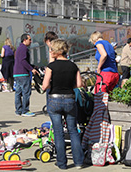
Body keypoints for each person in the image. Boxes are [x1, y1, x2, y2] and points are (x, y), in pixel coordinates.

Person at [42, 39, 84, 169]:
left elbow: (44, 86)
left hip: (54, 99)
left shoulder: (51, 67)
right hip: (70, 99)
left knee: (58, 131)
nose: (50, 51)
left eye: (52, 49)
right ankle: (78, 162)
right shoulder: (73, 66)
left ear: (57, 51)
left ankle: (62, 163)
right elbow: (79, 84)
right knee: (73, 131)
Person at [13, 33, 38, 117]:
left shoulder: (19, 48)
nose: (31, 41)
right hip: (23, 73)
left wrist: (32, 66)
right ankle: (25, 110)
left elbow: (22, 61)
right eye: (29, 39)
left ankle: (18, 110)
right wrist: (32, 69)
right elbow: (23, 61)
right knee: (26, 92)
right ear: (25, 40)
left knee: (18, 92)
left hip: (17, 73)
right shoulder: (24, 48)